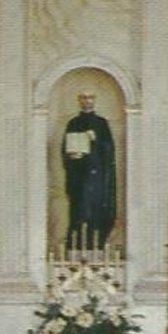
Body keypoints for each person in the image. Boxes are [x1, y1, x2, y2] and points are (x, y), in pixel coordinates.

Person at [62, 91, 116, 251]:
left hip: (97, 178)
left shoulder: (101, 123)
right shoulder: (73, 123)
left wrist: (95, 140)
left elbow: (109, 150)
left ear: (94, 100)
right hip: (78, 177)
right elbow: (65, 150)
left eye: (90, 97)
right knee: (78, 212)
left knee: (96, 212)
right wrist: (72, 157)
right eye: (84, 98)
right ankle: (76, 247)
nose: (87, 101)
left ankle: (97, 246)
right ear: (79, 100)